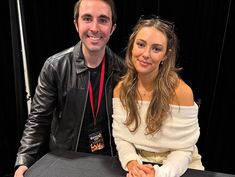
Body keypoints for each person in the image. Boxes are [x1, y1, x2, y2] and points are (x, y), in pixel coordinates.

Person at [14, 0, 125, 176]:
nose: (94, 27)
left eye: (103, 20)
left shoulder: (123, 71)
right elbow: (38, 119)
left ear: (112, 28)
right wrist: (24, 160)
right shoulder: (55, 66)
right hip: (65, 159)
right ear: (76, 24)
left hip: (108, 160)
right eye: (87, 18)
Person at [112, 15, 204, 177]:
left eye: (156, 49)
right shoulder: (121, 90)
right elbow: (122, 139)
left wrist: (159, 174)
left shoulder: (182, 93)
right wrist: (132, 163)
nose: (146, 54)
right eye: (141, 45)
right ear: (132, 46)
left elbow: (184, 149)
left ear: (166, 55)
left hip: (178, 166)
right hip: (138, 164)